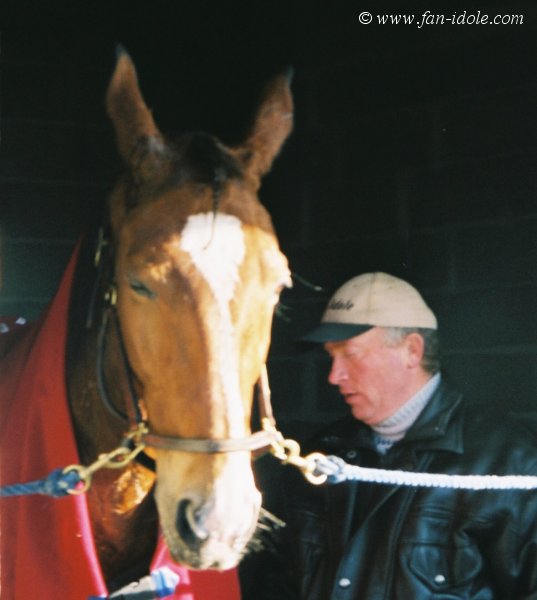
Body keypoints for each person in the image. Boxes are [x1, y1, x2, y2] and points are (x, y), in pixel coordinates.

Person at [278, 272, 537, 599]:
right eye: (331, 356)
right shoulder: (321, 457)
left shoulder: (507, 460)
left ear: (412, 350)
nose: (334, 375)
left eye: (351, 354)